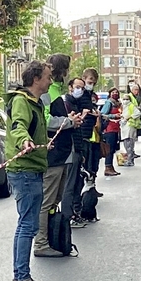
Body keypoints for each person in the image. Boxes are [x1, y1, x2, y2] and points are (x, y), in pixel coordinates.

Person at [6, 60, 53, 281]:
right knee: (27, 226)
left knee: (26, 225)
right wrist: (24, 141)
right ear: (35, 79)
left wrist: (41, 145)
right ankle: (22, 280)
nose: (51, 81)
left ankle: (21, 277)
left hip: (30, 168)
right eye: (47, 77)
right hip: (24, 170)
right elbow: (18, 125)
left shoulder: (32, 102)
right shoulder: (22, 102)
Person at [33, 59, 82, 258]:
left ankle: (51, 239)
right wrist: (68, 121)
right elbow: (44, 120)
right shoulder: (49, 92)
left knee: (55, 199)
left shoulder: (55, 91)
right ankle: (41, 242)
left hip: (61, 153)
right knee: (47, 201)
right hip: (53, 155)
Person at [63, 76, 95, 227]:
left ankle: (75, 212)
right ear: (70, 87)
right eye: (77, 86)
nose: (80, 90)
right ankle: (68, 217)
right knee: (69, 186)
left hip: (78, 147)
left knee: (77, 183)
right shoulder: (66, 103)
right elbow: (69, 127)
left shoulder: (76, 102)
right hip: (71, 149)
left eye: (82, 87)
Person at [81, 68, 103, 176]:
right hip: (83, 132)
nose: (91, 85)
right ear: (83, 79)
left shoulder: (90, 95)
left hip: (90, 132)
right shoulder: (81, 94)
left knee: (92, 162)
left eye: (94, 83)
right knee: (85, 163)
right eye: (90, 82)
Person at [100, 87, 123, 177]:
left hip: (116, 128)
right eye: (113, 92)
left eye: (116, 92)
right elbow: (102, 114)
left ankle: (110, 166)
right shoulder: (108, 103)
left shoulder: (117, 104)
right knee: (109, 149)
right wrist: (114, 116)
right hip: (109, 129)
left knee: (113, 149)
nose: (115, 93)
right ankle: (108, 167)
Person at [120, 82, 141, 167]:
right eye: (124, 99)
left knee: (129, 144)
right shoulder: (124, 106)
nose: (125, 100)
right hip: (126, 126)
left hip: (130, 126)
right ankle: (130, 159)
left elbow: (137, 113)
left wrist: (129, 117)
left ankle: (130, 160)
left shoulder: (130, 105)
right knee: (127, 144)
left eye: (126, 99)